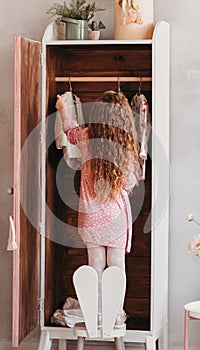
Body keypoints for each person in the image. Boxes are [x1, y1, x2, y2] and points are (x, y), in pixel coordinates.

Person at [55, 91, 140, 325]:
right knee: (116, 265)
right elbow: (130, 181)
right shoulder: (126, 144)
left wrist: (63, 107)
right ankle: (116, 313)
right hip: (115, 218)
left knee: (95, 265)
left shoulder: (87, 138)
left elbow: (70, 131)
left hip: (91, 216)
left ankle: (95, 313)